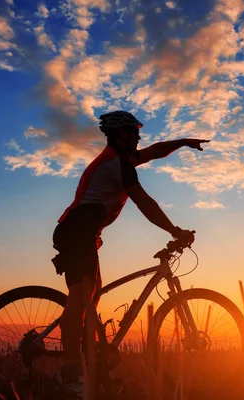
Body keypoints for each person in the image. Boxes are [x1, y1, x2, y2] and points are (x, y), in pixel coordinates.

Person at [51, 110, 209, 398]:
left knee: (92, 297)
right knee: (81, 296)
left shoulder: (122, 159)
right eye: (134, 132)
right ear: (123, 134)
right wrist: (175, 231)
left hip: (84, 235)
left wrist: (183, 141)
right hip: (76, 234)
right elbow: (145, 203)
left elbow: (155, 151)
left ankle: (92, 366)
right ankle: (70, 374)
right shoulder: (118, 164)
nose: (139, 137)